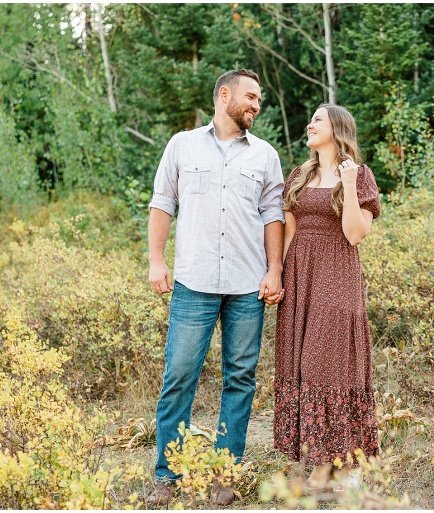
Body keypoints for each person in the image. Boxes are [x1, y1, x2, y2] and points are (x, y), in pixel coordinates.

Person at [145, 69, 286, 507]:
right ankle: (167, 475)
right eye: (250, 97)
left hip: (248, 286)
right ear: (224, 95)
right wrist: (155, 259)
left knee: (240, 379)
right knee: (179, 377)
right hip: (194, 283)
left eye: (259, 99)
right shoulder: (182, 145)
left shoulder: (265, 155)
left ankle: (225, 474)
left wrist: (275, 268)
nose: (256, 105)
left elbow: (273, 215)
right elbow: (162, 203)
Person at [273, 104, 381, 493]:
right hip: (300, 277)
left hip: (337, 277)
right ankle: (320, 459)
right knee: (301, 366)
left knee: (327, 365)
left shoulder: (360, 175)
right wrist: (279, 275)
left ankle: (327, 466)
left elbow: (355, 234)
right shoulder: (300, 175)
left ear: (337, 129)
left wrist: (349, 187)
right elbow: (289, 231)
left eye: (317, 119)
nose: (309, 124)